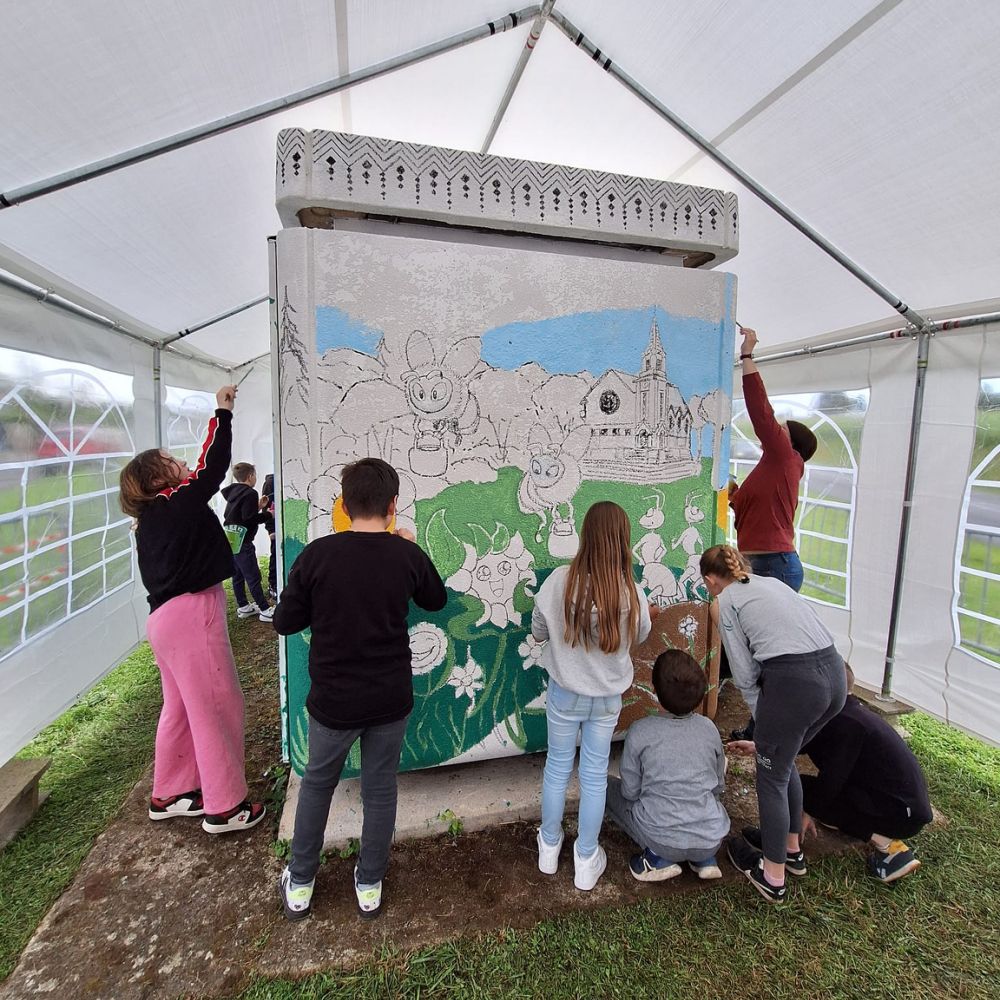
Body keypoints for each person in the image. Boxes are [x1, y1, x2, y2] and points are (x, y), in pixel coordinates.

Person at [273, 457, 447, 921]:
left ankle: (301, 881)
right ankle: (369, 882)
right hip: (390, 698)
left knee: (317, 786)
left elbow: (285, 621)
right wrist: (412, 547)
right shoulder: (406, 555)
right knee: (380, 788)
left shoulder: (317, 555)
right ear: (393, 506)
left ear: (345, 506)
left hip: (333, 701)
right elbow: (436, 599)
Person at [118, 384, 265, 835]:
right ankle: (225, 806)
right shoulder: (172, 501)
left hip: (164, 620)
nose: (182, 463)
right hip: (190, 613)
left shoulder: (151, 518)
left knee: (181, 707)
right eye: (171, 461)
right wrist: (222, 412)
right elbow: (210, 466)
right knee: (216, 705)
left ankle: (171, 792)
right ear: (157, 479)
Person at [701, 544, 846, 902]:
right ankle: (790, 849)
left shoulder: (726, 602)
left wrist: (762, 723)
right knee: (784, 758)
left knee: (771, 777)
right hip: (835, 676)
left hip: (796, 683)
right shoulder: (772, 584)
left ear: (710, 580)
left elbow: (744, 673)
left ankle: (772, 877)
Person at [532, 501, 653, 892]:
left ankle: (549, 848)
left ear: (584, 536)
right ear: (623, 540)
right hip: (606, 699)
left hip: (565, 693)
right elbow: (642, 634)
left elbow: (538, 631)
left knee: (557, 767)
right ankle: (586, 859)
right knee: (595, 775)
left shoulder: (559, 581)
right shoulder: (630, 591)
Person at [732, 664, 932, 883]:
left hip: (901, 815)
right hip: (900, 804)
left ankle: (888, 846)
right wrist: (760, 747)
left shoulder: (848, 725)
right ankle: (786, 840)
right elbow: (800, 743)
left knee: (802, 790)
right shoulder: (846, 714)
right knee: (809, 793)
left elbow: (830, 783)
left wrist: (809, 809)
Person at [606, 649, 729, 882]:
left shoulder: (640, 730)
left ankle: (655, 859)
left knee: (604, 787)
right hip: (711, 839)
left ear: (654, 690)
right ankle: (704, 860)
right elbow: (718, 785)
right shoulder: (709, 728)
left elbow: (630, 792)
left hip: (661, 839)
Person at [222, 463, 273, 622]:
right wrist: (268, 515)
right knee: (253, 575)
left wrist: (258, 506)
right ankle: (265, 610)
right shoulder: (250, 493)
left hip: (232, 538)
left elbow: (237, 515)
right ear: (250, 476)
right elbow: (249, 518)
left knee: (238, 574)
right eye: (255, 475)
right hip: (243, 540)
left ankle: (243, 606)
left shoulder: (233, 492)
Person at [260, 472, 277, 599]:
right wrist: (271, 529)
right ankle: (273, 585)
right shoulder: (271, 483)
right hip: (276, 528)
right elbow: (267, 508)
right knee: (275, 554)